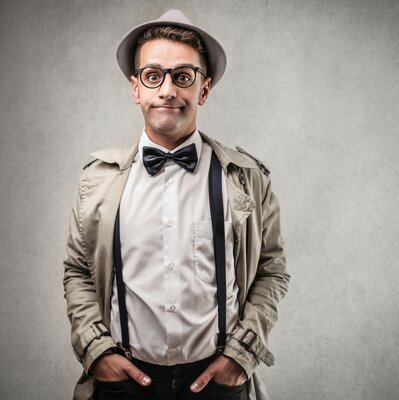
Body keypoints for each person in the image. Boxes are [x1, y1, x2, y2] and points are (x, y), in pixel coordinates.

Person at [63, 9, 289, 400]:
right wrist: (96, 350)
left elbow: (272, 271)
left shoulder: (247, 178)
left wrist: (242, 355)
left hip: (217, 383)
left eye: (183, 77)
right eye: (154, 76)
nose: (168, 90)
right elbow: (78, 271)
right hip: (122, 383)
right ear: (136, 88)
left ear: (203, 89)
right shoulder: (97, 181)